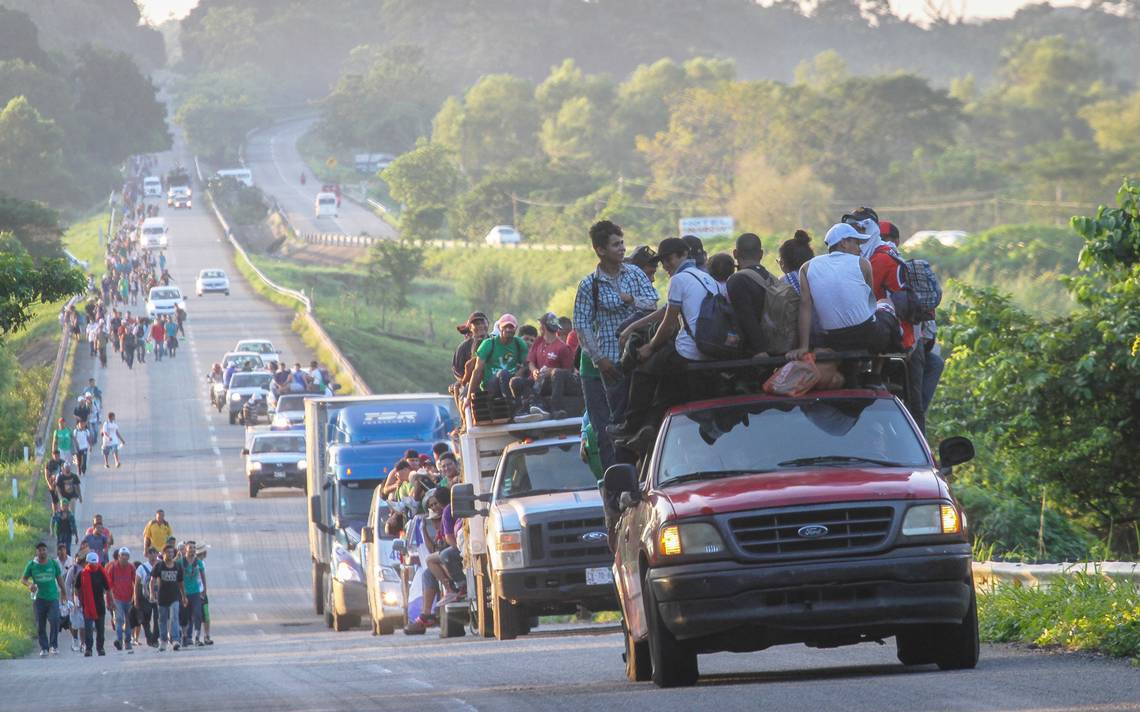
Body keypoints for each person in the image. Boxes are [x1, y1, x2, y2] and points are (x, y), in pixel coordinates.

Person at [607, 237, 724, 450]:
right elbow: (666, 311)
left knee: (644, 369)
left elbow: (668, 325)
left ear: (683, 255)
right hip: (712, 349)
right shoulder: (706, 277)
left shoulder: (678, 280)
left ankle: (631, 424)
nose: (665, 266)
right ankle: (650, 426)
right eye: (663, 262)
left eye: (669, 259)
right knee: (667, 384)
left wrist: (649, 347)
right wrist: (633, 328)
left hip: (689, 350)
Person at [572, 220, 659, 469]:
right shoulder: (590, 285)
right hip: (607, 365)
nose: (622, 248)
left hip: (637, 359)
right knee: (608, 430)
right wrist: (599, 359)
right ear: (600, 250)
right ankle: (617, 486)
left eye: (622, 243)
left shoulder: (635, 274)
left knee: (639, 424)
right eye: (615, 244)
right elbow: (582, 325)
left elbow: (652, 304)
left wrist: (628, 298)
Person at [787, 223, 901, 361]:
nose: (860, 249)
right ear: (844, 243)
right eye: (857, 243)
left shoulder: (806, 267)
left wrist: (803, 346)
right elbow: (870, 303)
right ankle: (877, 375)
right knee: (885, 303)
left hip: (833, 338)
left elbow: (805, 307)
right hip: (866, 335)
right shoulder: (862, 263)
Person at [873, 218, 924, 431]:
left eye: (885, 238)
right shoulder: (905, 262)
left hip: (899, 341)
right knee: (914, 401)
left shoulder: (878, 261)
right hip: (911, 340)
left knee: (907, 401)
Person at [517, 312, 579, 417]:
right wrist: (534, 371)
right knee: (515, 382)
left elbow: (568, 372)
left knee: (557, 373)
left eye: (540, 325)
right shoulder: (538, 341)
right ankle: (525, 408)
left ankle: (555, 409)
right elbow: (530, 361)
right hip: (537, 381)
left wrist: (551, 371)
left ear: (543, 327)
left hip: (552, 383)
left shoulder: (563, 347)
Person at [726, 233, 775, 356]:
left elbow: (746, 317)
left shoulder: (737, 280)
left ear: (735, 254)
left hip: (753, 353)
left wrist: (761, 350)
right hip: (777, 345)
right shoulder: (771, 278)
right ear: (761, 254)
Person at [465, 314, 529, 401]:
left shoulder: (520, 344)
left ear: (515, 329)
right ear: (499, 327)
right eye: (505, 327)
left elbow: (526, 365)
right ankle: (511, 402)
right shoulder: (488, 344)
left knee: (519, 381)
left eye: (511, 327)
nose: (508, 330)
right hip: (491, 385)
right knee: (503, 373)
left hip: (510, 383)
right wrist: (468, 397)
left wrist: (517, 375)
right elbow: (477, 371)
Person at [21, 541, 65, 656]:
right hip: (39, 599)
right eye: (40, 550)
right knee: (40, 624)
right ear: (36, 552)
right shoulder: (31, 565)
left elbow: (60, 579)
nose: (42, 552)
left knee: (55, 620)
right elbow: (23, 579)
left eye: (44, 549)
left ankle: (54, 646)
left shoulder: (53, 564)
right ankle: (44, 648)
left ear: (47, 551)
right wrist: (30, 585)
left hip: (53, 597)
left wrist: (64, 593)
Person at [74, 551, 112, 656]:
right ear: (87, 563)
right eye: (91, 563)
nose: (94, 565)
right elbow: (76, 588)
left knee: (100, 630)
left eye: (95, 563)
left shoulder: (101, 572)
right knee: (88, 629)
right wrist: (77, 601)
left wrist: (111, 602)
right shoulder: (82, 574)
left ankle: (100, 648)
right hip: (87, 606)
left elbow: (108, 588)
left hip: (100, 605)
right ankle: (88, 649)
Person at [150, 545, 185, 651]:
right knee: (162, 619)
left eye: (171, 552)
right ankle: (163, 641)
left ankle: (175, 640)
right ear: (163, 553)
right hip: (162, 597)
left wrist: (184, 596)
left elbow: (181, 582)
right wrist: (152, 593)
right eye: (168, 552)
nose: (170, 554)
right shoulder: (159, 566)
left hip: (175, 597)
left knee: (174, 617)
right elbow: (152, 580)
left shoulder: (178, 566)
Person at [104, 547, 136, 653]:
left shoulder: (131, 567)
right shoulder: (112, 568)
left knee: (128, 620)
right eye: (123, 556)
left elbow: (135, 583)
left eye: (126, 556)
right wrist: (110, 601)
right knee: (119, 620)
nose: (124, 558)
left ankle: (127, 640)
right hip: (117, 598)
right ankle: (119, 640)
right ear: (119, 557)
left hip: (129, 597)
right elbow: (108, 585)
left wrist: (135, 597)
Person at [180, 541, 208, 647]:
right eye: (190, 547)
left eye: (194, 548)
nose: (192, 549)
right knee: (184, 616)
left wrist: (204, 589)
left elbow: (203, 576)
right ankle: (184, 636)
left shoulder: (198, 562)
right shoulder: (181, 562)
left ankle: (196, 637)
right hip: (184, 593)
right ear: (186, 549)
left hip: (196, 592)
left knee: (198, 614)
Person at [135, 547, 159, 647]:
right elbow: (136, 584)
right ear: (147, 555)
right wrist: (136, 599)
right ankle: (149, 637)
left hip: (159, 597)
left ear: (157, 554)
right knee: (146, 619)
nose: (153, 555)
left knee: (158, 618)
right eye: (150, 553)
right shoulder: (141, 567)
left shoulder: (161, 565)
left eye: (154, 553)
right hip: (146, 597)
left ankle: (155, 638)